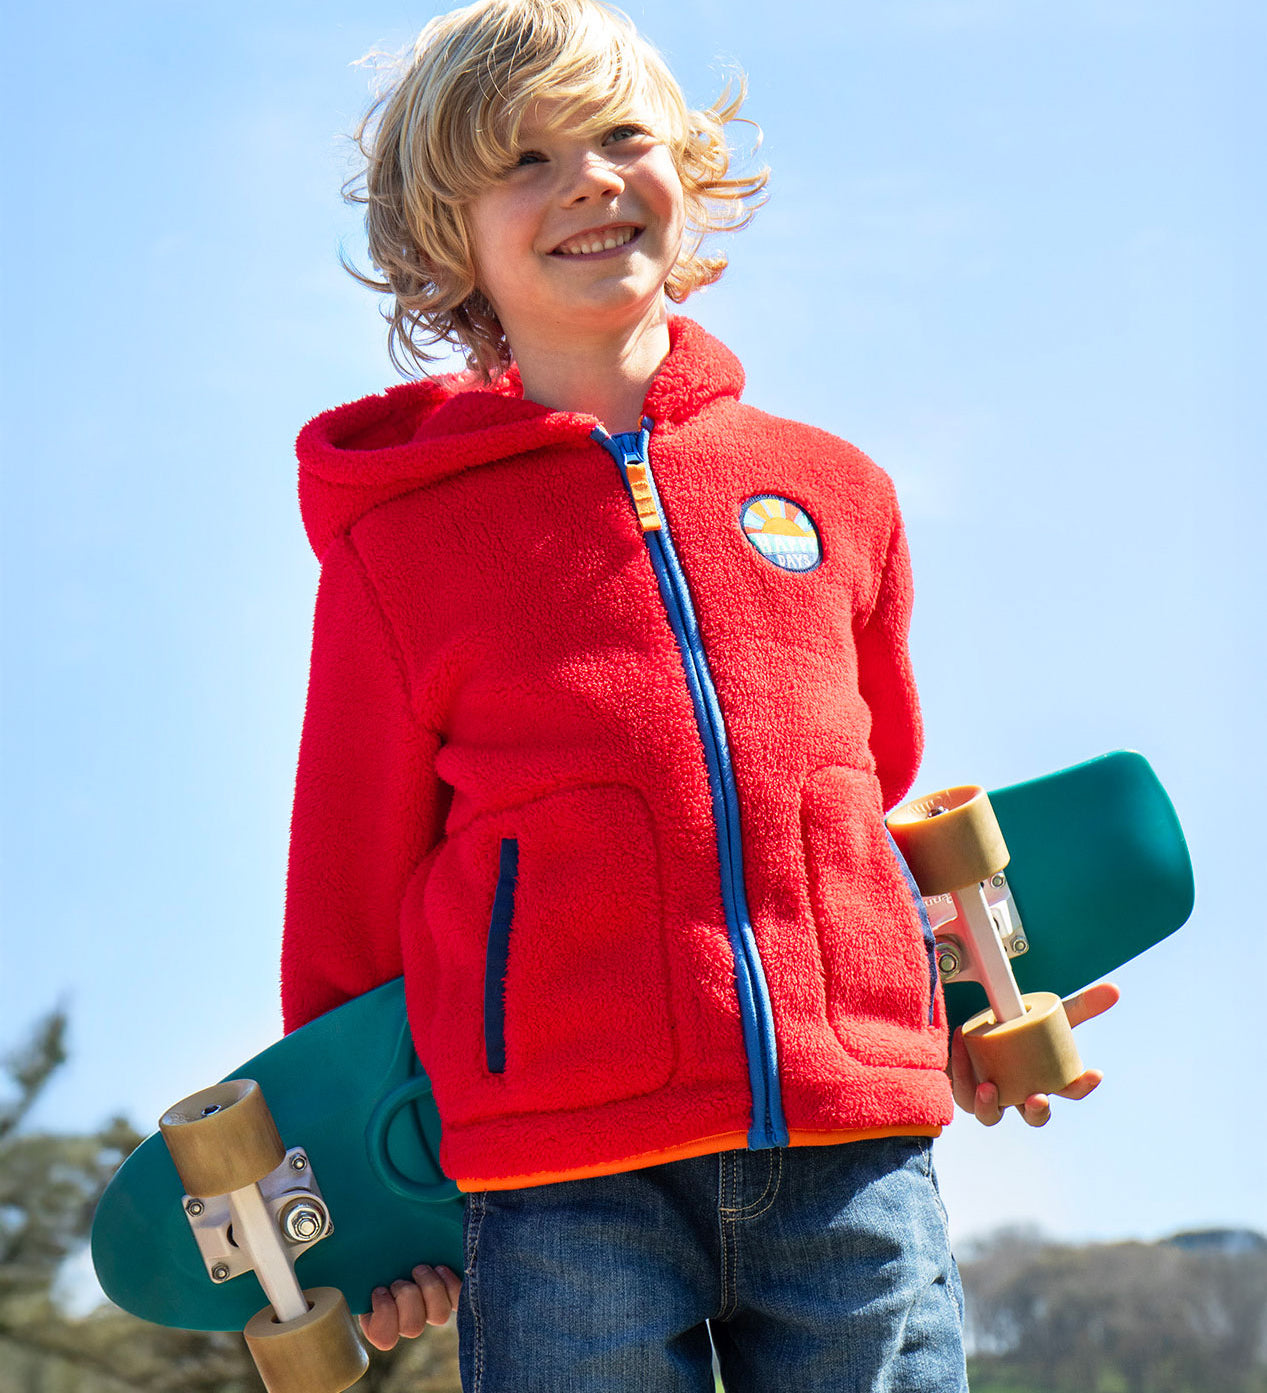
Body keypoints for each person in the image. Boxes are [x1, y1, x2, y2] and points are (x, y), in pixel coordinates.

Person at [281, 1, 1116, 1386]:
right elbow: (352, 886)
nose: (591, 182)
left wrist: (956, 1008)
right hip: (565, 1177)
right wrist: (366, 1207)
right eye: (527, 161)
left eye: (619, 138)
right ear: (449, 238)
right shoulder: (403, 547)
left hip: (854, 1156)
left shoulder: (834, 493)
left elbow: (863, 815)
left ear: (689, 161)